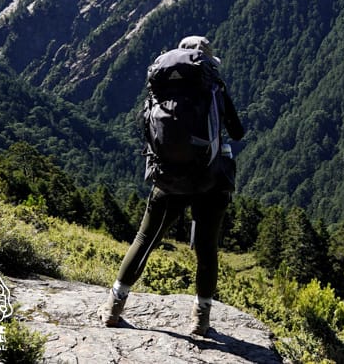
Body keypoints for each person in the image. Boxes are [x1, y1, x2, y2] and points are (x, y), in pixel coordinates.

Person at [98, 35, 245, 335]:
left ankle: (114, 306)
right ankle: (200, 320)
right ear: (207, 59)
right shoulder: (213, 85)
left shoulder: (160, 84)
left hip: (168, 177)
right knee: (206, 250)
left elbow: (146, 127)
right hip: (210, 179)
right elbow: (237, 131)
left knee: (143, 240)